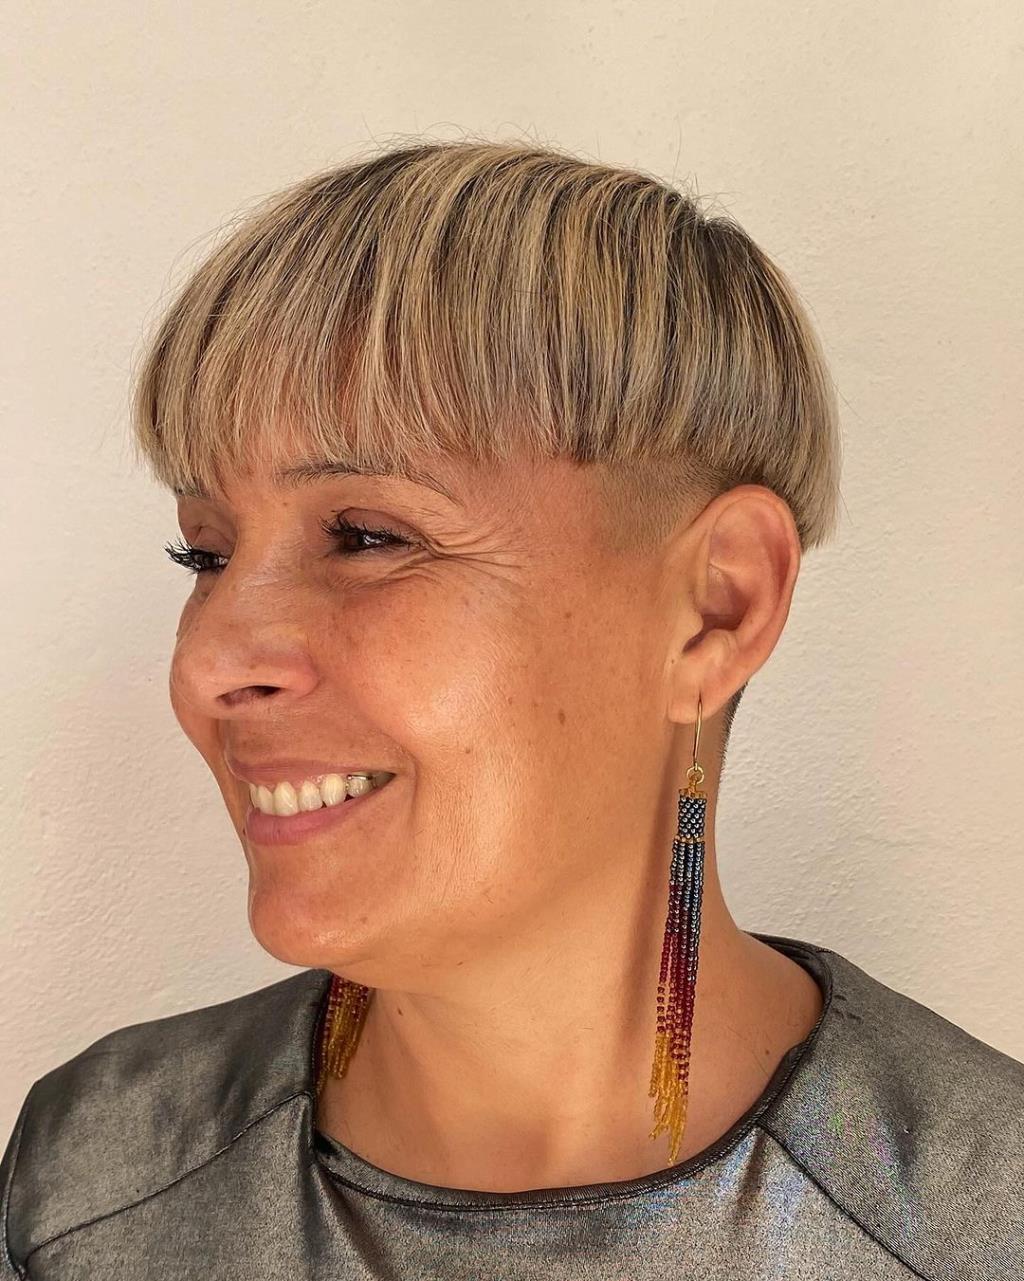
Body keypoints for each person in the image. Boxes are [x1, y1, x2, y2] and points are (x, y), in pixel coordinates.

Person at [3, 138, 1021, 1280]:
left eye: (367, 537)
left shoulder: (978, 1224)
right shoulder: (94, 1184)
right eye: (206, 552)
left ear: (714, 608)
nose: (207, 666)